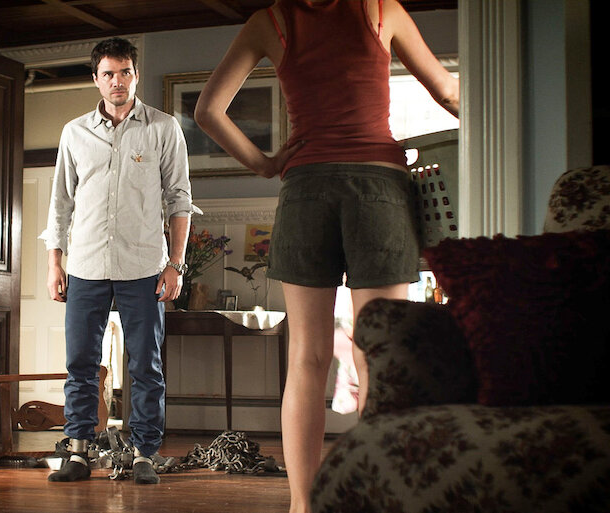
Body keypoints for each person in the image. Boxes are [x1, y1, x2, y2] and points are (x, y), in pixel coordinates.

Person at [194, 1, 458, 511]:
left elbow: (207, 111)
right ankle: (377, 498)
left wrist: (266, 164)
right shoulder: (380, 8)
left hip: (306, 191)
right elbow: (448, 92)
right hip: (378, 189)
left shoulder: (271, 20)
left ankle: (303, 505)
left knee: (306, 358)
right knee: (377, 354)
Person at [40, 37, 196, 485]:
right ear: (96, 79)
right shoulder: (74, 133)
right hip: (85, 265)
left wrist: (176, 264)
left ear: (136, 75)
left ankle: (145, 453)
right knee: (80, 363)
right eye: (108, 73)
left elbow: (179, 199)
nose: (117, 81)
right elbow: (60, 204)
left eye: (125, 72)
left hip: (144, 266)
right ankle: (78, 452)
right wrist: (54, 263)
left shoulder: (163, 128)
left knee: (145, 364)